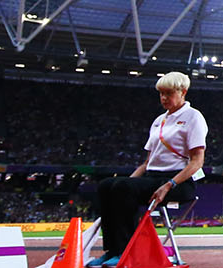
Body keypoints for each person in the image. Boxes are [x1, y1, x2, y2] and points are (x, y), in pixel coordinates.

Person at [88, 72, 207, 267]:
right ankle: (113, 250)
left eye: (168, 93)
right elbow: (146, 163)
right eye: (161, 94)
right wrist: (125, 182)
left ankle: (127, 251)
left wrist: (169, 185)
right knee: (106, 186)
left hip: (178, 181)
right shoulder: (159, 120)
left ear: (183, 92)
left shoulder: (193, 117)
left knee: (122, 188)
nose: (164, 98)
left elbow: (197, 162)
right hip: (152, 178)